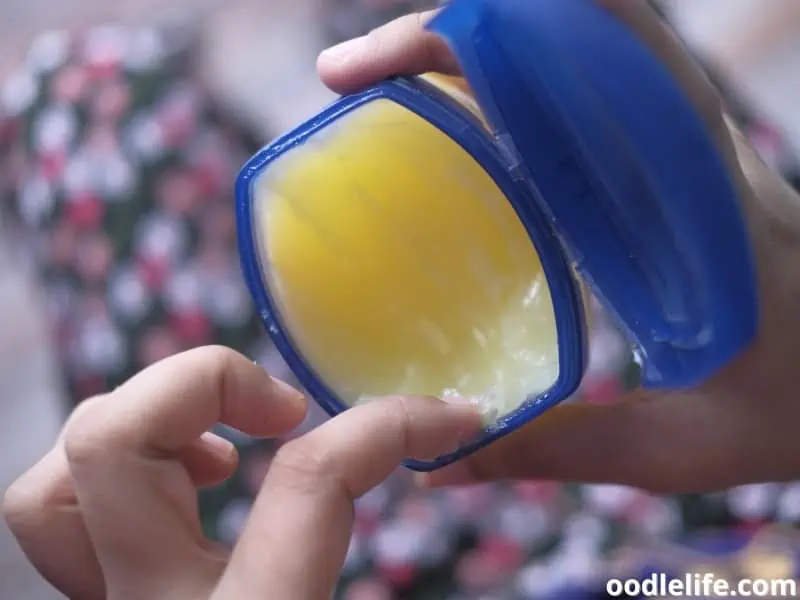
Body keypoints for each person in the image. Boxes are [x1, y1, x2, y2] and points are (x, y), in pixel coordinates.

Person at [5, 1, 800, 598]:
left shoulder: (89, 109)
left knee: (75, 104)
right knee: (599, 81)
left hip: (354, 540)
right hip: (742, 527)